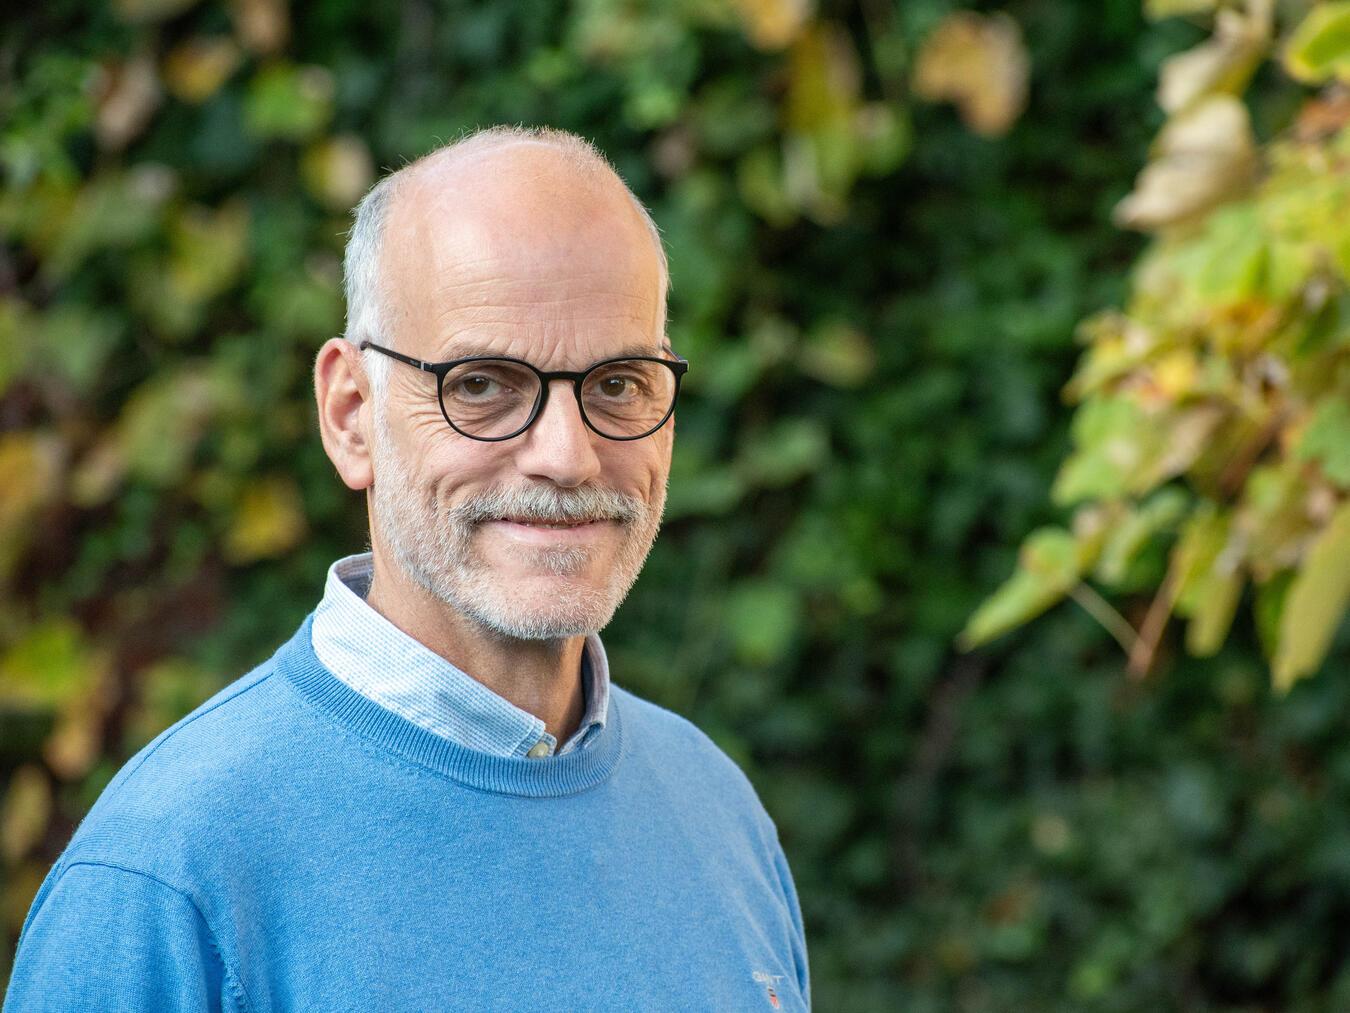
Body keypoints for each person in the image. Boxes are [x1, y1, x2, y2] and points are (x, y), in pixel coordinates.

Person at [3, 125, 810, 1012]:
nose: (567, 455)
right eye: (481, 384)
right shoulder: (171, 872)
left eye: (618, 383)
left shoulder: (716, 810)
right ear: (351, 413)